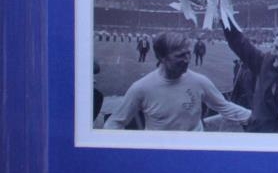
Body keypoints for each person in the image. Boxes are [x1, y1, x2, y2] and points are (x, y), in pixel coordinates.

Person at [104, 30, 251, 131]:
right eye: (180, 56)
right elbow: (115, 122)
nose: (187, 60)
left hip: (195, 150)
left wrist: (257, 117)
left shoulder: (199, 82)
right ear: (162, 57)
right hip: (160, 153)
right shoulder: (141, 88)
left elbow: (226, 107)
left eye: (188, 54)